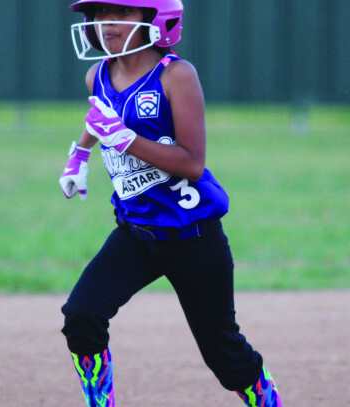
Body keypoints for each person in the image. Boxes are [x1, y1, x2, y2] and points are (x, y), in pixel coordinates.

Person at [58, 1, 284, 406]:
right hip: (136, 233)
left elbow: (192, 163)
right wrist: (80, 155)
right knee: (82, 315)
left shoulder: (176, 75)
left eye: (120, 13)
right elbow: (100, 117)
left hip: (192, 237)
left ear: (155, 19)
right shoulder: (97, 74)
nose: (103, 23)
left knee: (224, 354)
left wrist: (126, 140)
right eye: (97, 14)